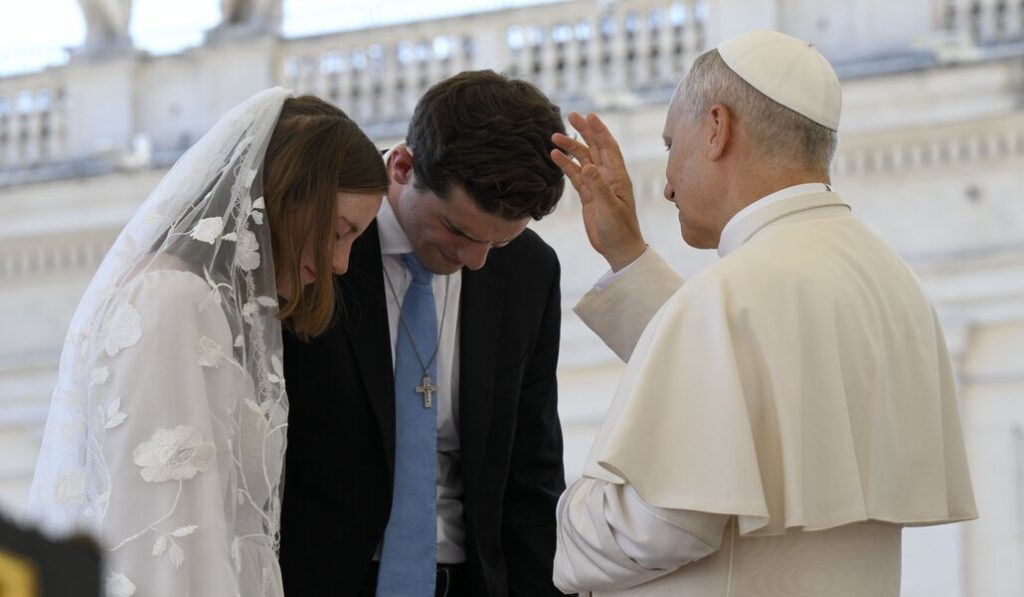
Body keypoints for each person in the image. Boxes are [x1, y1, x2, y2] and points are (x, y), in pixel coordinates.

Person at [548, 30, 978, 596]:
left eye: (671, 143)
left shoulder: (731, 293)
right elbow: (732, 386)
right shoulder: (893, 284)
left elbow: (660, 525)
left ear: (718, 129)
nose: (667, 187)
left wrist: (564, 510)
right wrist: (627, 255)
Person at [27, 88, 388, 597]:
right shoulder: (173, 302)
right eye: (338, 232)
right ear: (287, 196)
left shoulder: (197, 305)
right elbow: (163, 532)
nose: (341, 264)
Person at [279, 70, 568, 597]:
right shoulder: (319, 242)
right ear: (403, 167)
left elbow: (532, 473)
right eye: (457, 231)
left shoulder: (530, 272)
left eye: (498, 243)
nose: (476, 263)